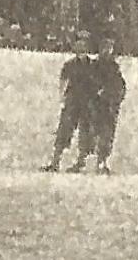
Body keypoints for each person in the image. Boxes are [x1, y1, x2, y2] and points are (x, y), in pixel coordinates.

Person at [41, 31, 95, 173]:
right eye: (78, 42)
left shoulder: (93, 65)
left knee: (85, 133)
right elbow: (63, 82)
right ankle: (55, 162)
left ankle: (80, 162)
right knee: (63, 131)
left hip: (87, 103)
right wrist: (63, 98)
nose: (81, 45)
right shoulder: (70, 65)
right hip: (72, 102)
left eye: (84, 42)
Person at [90, 37, 126, 175]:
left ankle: (102, 161)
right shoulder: (94, 65)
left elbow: (120, 85)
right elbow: (89, 83)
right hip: (97, 105)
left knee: (108, 134)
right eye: (105, 47)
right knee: (95, 133)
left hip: (110, 106)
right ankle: (92, 161)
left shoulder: (114, 67)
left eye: (109, 47)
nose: (107, 50)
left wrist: (117, 98)